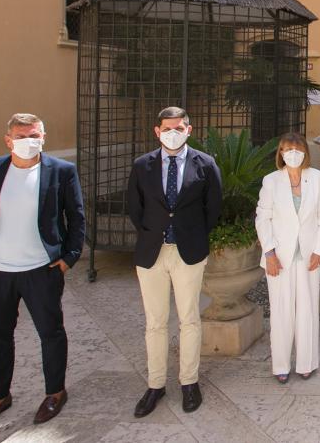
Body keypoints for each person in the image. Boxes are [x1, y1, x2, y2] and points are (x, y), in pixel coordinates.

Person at [0, 113, 85, 430]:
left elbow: (76, 218)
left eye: (34, 135)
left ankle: (55, 393)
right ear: (8, 140)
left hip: (41, 271)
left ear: (44, 137)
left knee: (51, 333)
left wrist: (69, 258)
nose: (28, 142)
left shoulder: (62, 171)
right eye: (21, 136)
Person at [126, 107, 223, 417]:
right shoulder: (142, 166)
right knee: (155, 322)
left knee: (189, 318)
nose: (172, 133)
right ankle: (155, 384)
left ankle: (189, 382)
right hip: (151, 253)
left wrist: (191, 234)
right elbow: (134, 208)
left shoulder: (205, 164)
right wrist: (154, 233)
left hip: (188, 252)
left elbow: (213, 208)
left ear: (189, 129)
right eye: (167, 128)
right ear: (157, 131)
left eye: (178, 127)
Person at [255, 133, 320, 383]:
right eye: (287, 149)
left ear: (305, 152)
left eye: (297, 149)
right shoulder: (271, 181)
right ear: (281, 153)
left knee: (308, 310)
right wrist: (270, 253)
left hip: (309, 255)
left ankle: (306, 363)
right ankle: (280, 366)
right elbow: (263, 219)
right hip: (279, 257)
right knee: (281, 311)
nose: (293, 154)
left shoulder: (317, 178)